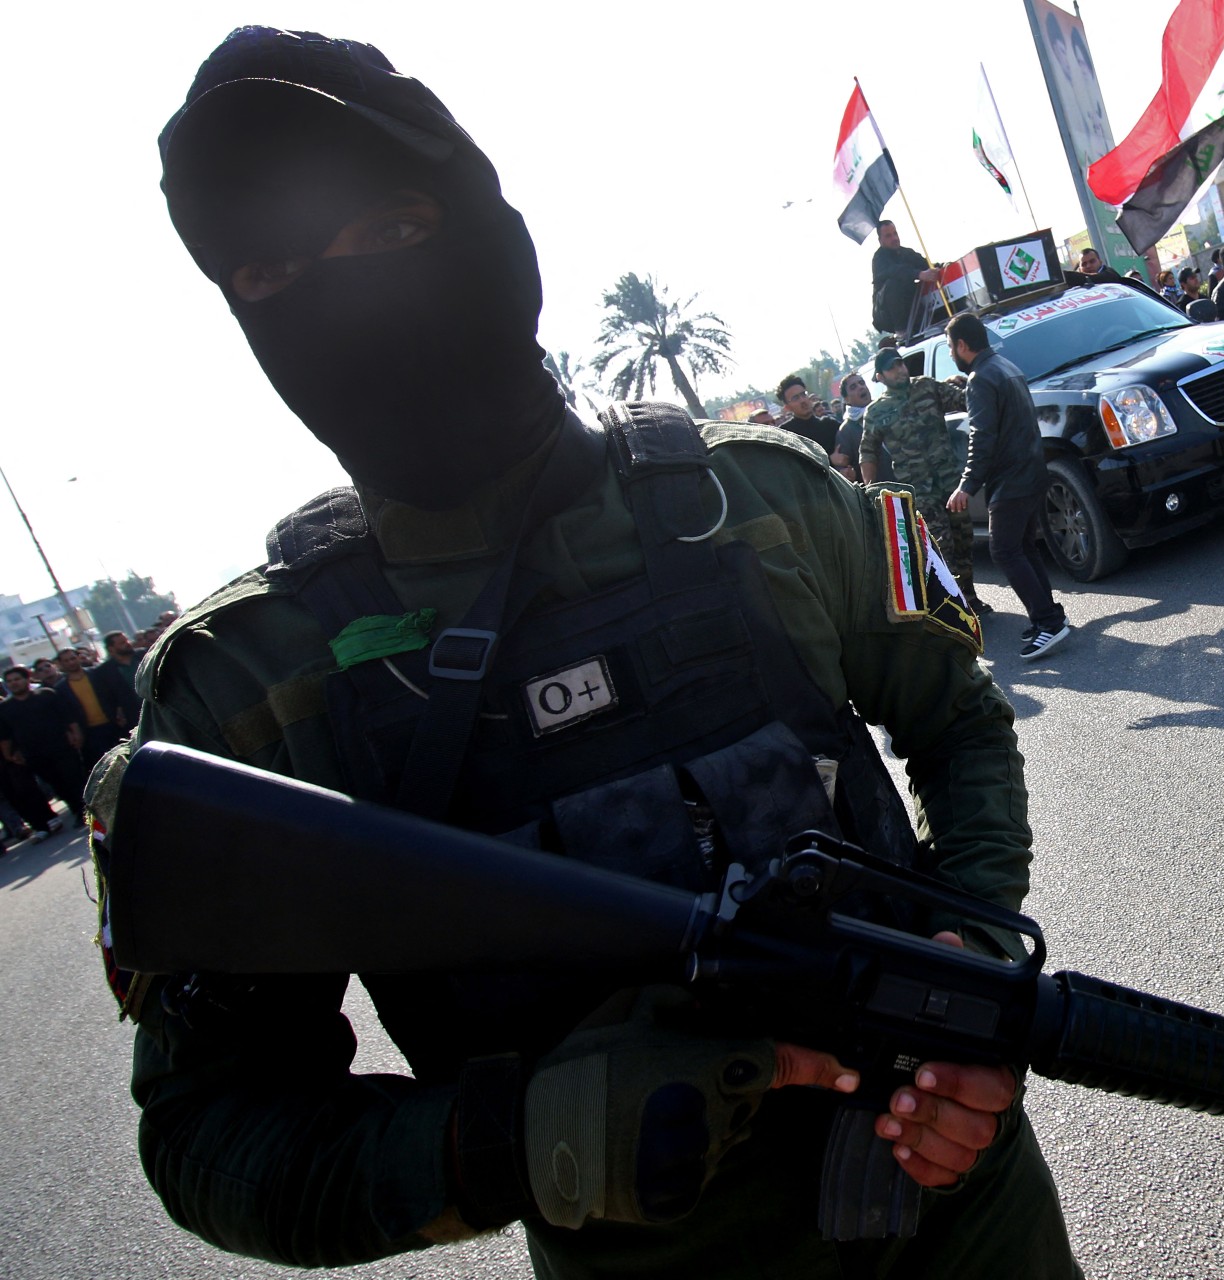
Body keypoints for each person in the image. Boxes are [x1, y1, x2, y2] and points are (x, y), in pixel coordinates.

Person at [90, 26, 1081, 1280]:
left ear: (490, 233)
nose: (349, 300)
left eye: (388, 230)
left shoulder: (762, 500)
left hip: (966, 1221)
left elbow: (956, 718)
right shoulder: (249, 688)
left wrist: (971, 972)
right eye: (273, 271)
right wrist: (515, 1137)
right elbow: (211, 1130)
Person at [942, 313, 1069, 660]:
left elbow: (981, 436)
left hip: (1011, 478)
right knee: (1023, 547)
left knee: (1004, 550)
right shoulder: (1003, 366)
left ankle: (1048, 622)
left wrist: (966, 485)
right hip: (1031, 469)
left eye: (950, 346)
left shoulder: (981, 378)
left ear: (962, 345)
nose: (951, 352)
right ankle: (1050, 616)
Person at [862, 348, 979, 606]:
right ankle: (956, 604)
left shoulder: (926, 387)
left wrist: (971, 379)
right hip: (920, 492)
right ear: (880, 376)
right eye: (892, 368)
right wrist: (869, 491)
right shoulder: (876, 411)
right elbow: (868, 453)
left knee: (964, 539)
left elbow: (965, 401)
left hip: (949, 482)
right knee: (942, 546)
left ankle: (970, 594)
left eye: (901, 364)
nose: (900, 370)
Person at [1, 666, 88, 821]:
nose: (14, 683)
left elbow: (67, 717)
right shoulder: (5, 708)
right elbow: (6, 735)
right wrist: (9, 754)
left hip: (62, 747)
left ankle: (87, 810)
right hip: (34, 754)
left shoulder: (46, 695)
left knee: (74, 779)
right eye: (10, 681)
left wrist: (76, 733)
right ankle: (76, 810)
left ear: (27, 680)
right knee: (57, 785)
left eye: (17, 679)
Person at [53, 646, 140, 771]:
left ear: (78, 658)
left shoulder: (96, 674)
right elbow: (67, 713)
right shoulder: (61, 688)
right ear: (61, 664)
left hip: (113, 724)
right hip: (90, 732)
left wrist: (119, 711)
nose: (71, 662)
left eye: (72, 658)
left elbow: (113, 694)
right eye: (66, 661)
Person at [872, 219, 939, 335]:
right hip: (887, 313)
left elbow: (926, 265)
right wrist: (919, 274)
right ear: (880, 240)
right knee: (893, 284)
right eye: (888, 236)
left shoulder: (906, 253)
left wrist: (939, 268)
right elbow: (895, 271)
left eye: (895, 233)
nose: (894, 238)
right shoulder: (879, 259)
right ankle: (901, 331)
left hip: (911, 306)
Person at [775, 374, 840, 455]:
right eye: (795, 398)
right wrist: (830, 462)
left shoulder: (829, 424)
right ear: (788, 407)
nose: (802, 400)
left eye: (803, 394)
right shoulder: (786, 435)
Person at [829, 370, 875, 481]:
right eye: (853, 387)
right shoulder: (846, 430)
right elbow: (844, 468)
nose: (861, 387)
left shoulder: (886, 409)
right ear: (846, 399)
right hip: (886, 493)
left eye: (862, 383)